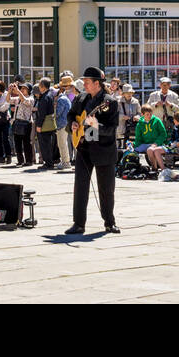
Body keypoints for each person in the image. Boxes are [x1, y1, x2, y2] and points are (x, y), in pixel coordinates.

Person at [67, 67, 120, 235]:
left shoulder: (109, 102)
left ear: (97, 83)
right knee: (80, 187)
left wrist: (96, 125)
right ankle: (78, 223)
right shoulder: (81, 98)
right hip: (83, 147)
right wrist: (72, 125)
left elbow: (112, 129)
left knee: (106, 188)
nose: (84, 84)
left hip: (103, 149)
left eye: (87, 82)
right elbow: (70, 115)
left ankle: (109, 222)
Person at [133, 103, 170, 171]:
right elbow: (138, 137)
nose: (149, 116)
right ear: (142, 114)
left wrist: (156, 143)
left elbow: (163, 134)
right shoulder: (140, 124)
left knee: (150, 150)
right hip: (145, 144)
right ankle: (133, 168)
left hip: (157, 144)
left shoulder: (157, 121)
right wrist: (134, 146)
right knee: (131, 151)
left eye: (151, 114)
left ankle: (154, 168)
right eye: (147, 114)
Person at [12, 82, 35, 166]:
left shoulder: (31, 98)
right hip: (17, 121)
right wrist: (10, 90)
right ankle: (20, 160)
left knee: (26, 143)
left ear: (29, 90)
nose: (22, 89)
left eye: (24, 88)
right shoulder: (18, 98)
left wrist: (18, 91)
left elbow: (25, 101)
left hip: (26, 123)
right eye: (21, 88)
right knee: (17, 143)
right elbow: (8, 100)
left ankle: (29, 161)